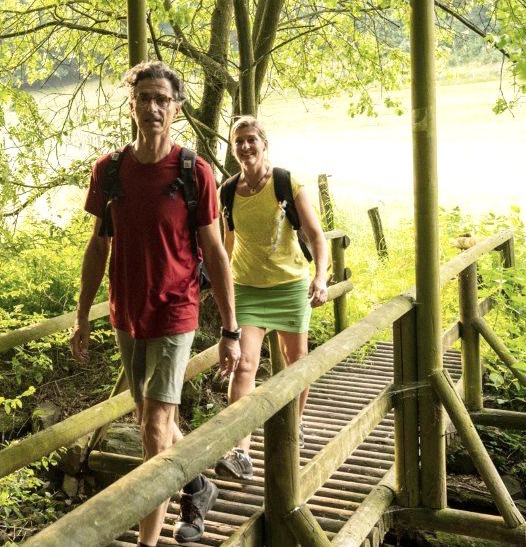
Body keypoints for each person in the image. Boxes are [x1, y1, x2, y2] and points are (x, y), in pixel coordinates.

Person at [72, 61, 241, 546]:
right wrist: (83, 315)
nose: (152, 107)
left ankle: (149, 542)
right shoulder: (109, 172)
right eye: (144, 97)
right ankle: (196, 482)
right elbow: (98, 245)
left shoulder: (194, 171)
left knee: (153, 423)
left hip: (176, 308)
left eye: (161, 99)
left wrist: (230, 330)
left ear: (177, 108)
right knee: (151, 418)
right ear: (132, 105)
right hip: (126, 313)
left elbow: (215, 252)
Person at [214, 115, 332, 481]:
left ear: (265, 143)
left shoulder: (286, 182)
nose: (246, 147)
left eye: (252, 139)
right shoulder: (227, 191)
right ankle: (240, 450)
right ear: (233, 149)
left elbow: (316, 236)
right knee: (243, 365)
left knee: (295, 361)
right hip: (247, 288)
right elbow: (227, 243)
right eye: (239, 142)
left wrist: (321, 277)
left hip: (289, 286)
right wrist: (226, 289)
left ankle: (292, 425)